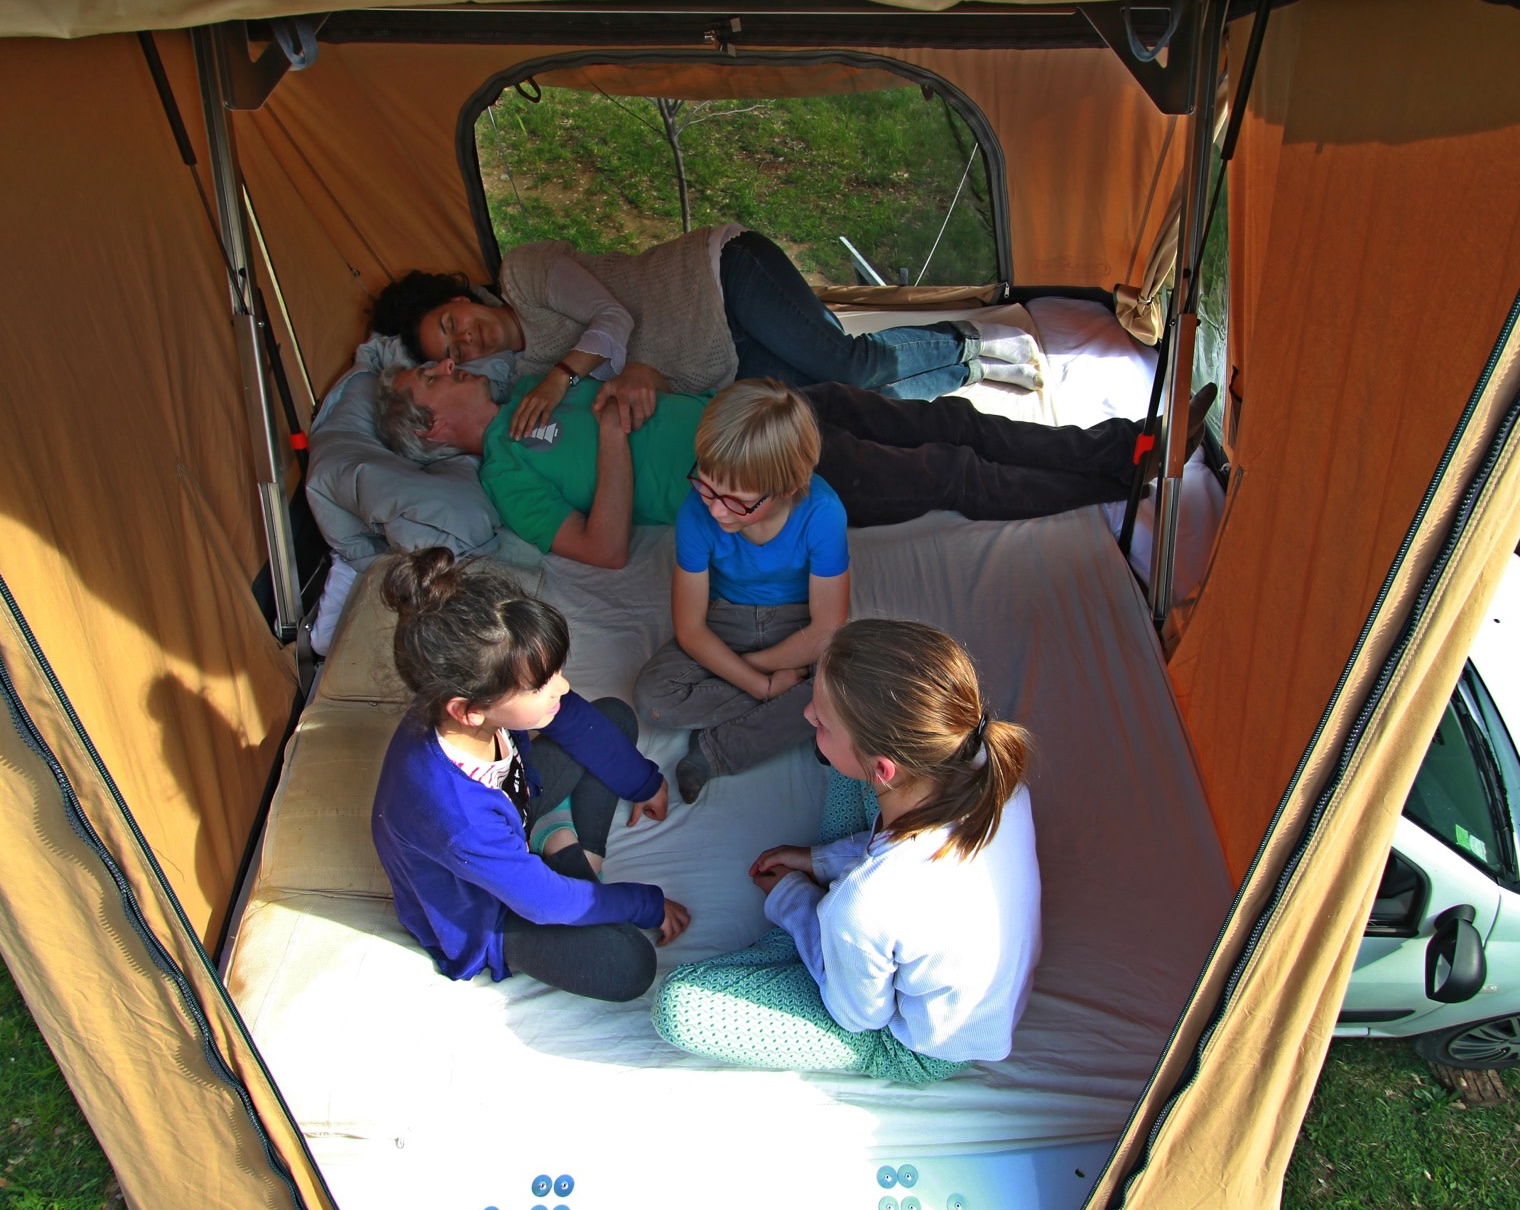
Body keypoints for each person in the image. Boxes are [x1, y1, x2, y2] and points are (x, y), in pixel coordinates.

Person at [652, 619, 1042, 1081]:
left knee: (679, 1007)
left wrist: (795, 900)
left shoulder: (864, 905)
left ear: (884, 771)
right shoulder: (983, 764)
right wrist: (816, 861)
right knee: (844, 763)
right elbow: (904, 853)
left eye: (820, 722)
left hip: (913, 1043)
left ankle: (803, 939)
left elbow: (859, 1016)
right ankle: (820, 935)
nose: (805, 719)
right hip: (908, 937)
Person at [374, 358, 1168, 569]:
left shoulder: (534, 394)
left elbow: (637, 376)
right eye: (432, 379)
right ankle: (1116, 480)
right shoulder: (504, 477)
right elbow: (605, 547)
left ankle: (1127, 441)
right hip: (756, 471)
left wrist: (640, 375)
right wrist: (614, 440)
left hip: (761, 404)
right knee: (947, 470)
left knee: (946, 415)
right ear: (437, 429)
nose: (450, 365)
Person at [370, 547, 688, 1002]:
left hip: (517, 813)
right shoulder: (457, 817)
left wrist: (645, 782)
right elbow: (542, 903)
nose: (562, 685)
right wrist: (645, 903)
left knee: (611, 719)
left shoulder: (475, 704)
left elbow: (571, 716)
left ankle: (558, 836)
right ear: (469, 711)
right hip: (493, 912)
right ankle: (567, 853)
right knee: (631, 965)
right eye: (541, 684)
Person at [368, 227, 1042, 438]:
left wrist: (561, 374)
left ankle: (961, 337)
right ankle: (970, 370)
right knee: (839, 408)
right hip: (713, 360)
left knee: (852, 362)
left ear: (459, 297)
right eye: (450, 352)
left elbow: (614, 319)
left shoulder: (525, 273)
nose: (467, 342)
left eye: (452, 324)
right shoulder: (517, 376)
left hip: (720, 279)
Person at [635, 380, 850, 803]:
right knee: (653, 698)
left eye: (736, 501)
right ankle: (798, 714)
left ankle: (716, 752)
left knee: (851, 686)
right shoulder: (696, 513)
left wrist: (749, 667)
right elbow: (692, 629)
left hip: (798, 623)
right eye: (707, 486)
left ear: (787, 487)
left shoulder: (823, 513)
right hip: (724, 617)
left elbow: (826, 628)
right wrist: (764, 687)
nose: (715, 509)